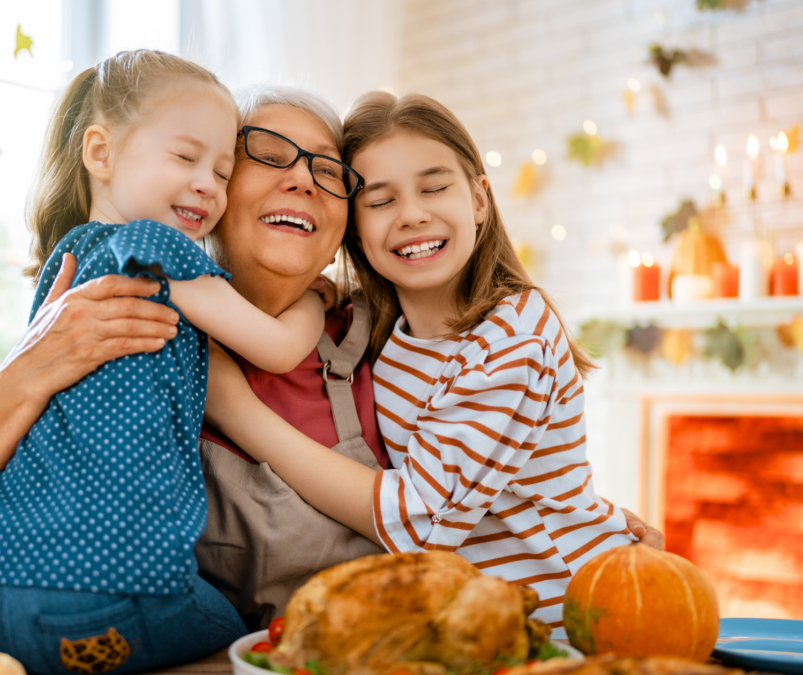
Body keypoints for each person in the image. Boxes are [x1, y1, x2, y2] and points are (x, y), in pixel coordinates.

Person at [0, 82, 663, 638]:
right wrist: (25, 377)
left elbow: (457, 489)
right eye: (265, 154)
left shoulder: (373, 330)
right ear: (208, 196)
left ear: (341, 226)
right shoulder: (122, 323)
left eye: (329, 171)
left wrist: (580, 516)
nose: (301, 176)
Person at [0, 49, 345, 675]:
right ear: (100, 153)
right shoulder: (151, 247)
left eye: (220, 169)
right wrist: (319, 295)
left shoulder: (68, 264)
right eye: (186, 159)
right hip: (109, 590)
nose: (207, 186)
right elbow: (280, 346)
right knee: (251, 643)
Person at [202, 91, 638, 635]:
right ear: (354, 228)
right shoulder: (378, 326)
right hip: (465, 629)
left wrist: (233, 409)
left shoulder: (513, 338)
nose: (412, 215)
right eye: (380, 201)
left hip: (564, 624)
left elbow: (417, 521)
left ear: (480, 199)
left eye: (434, 187)